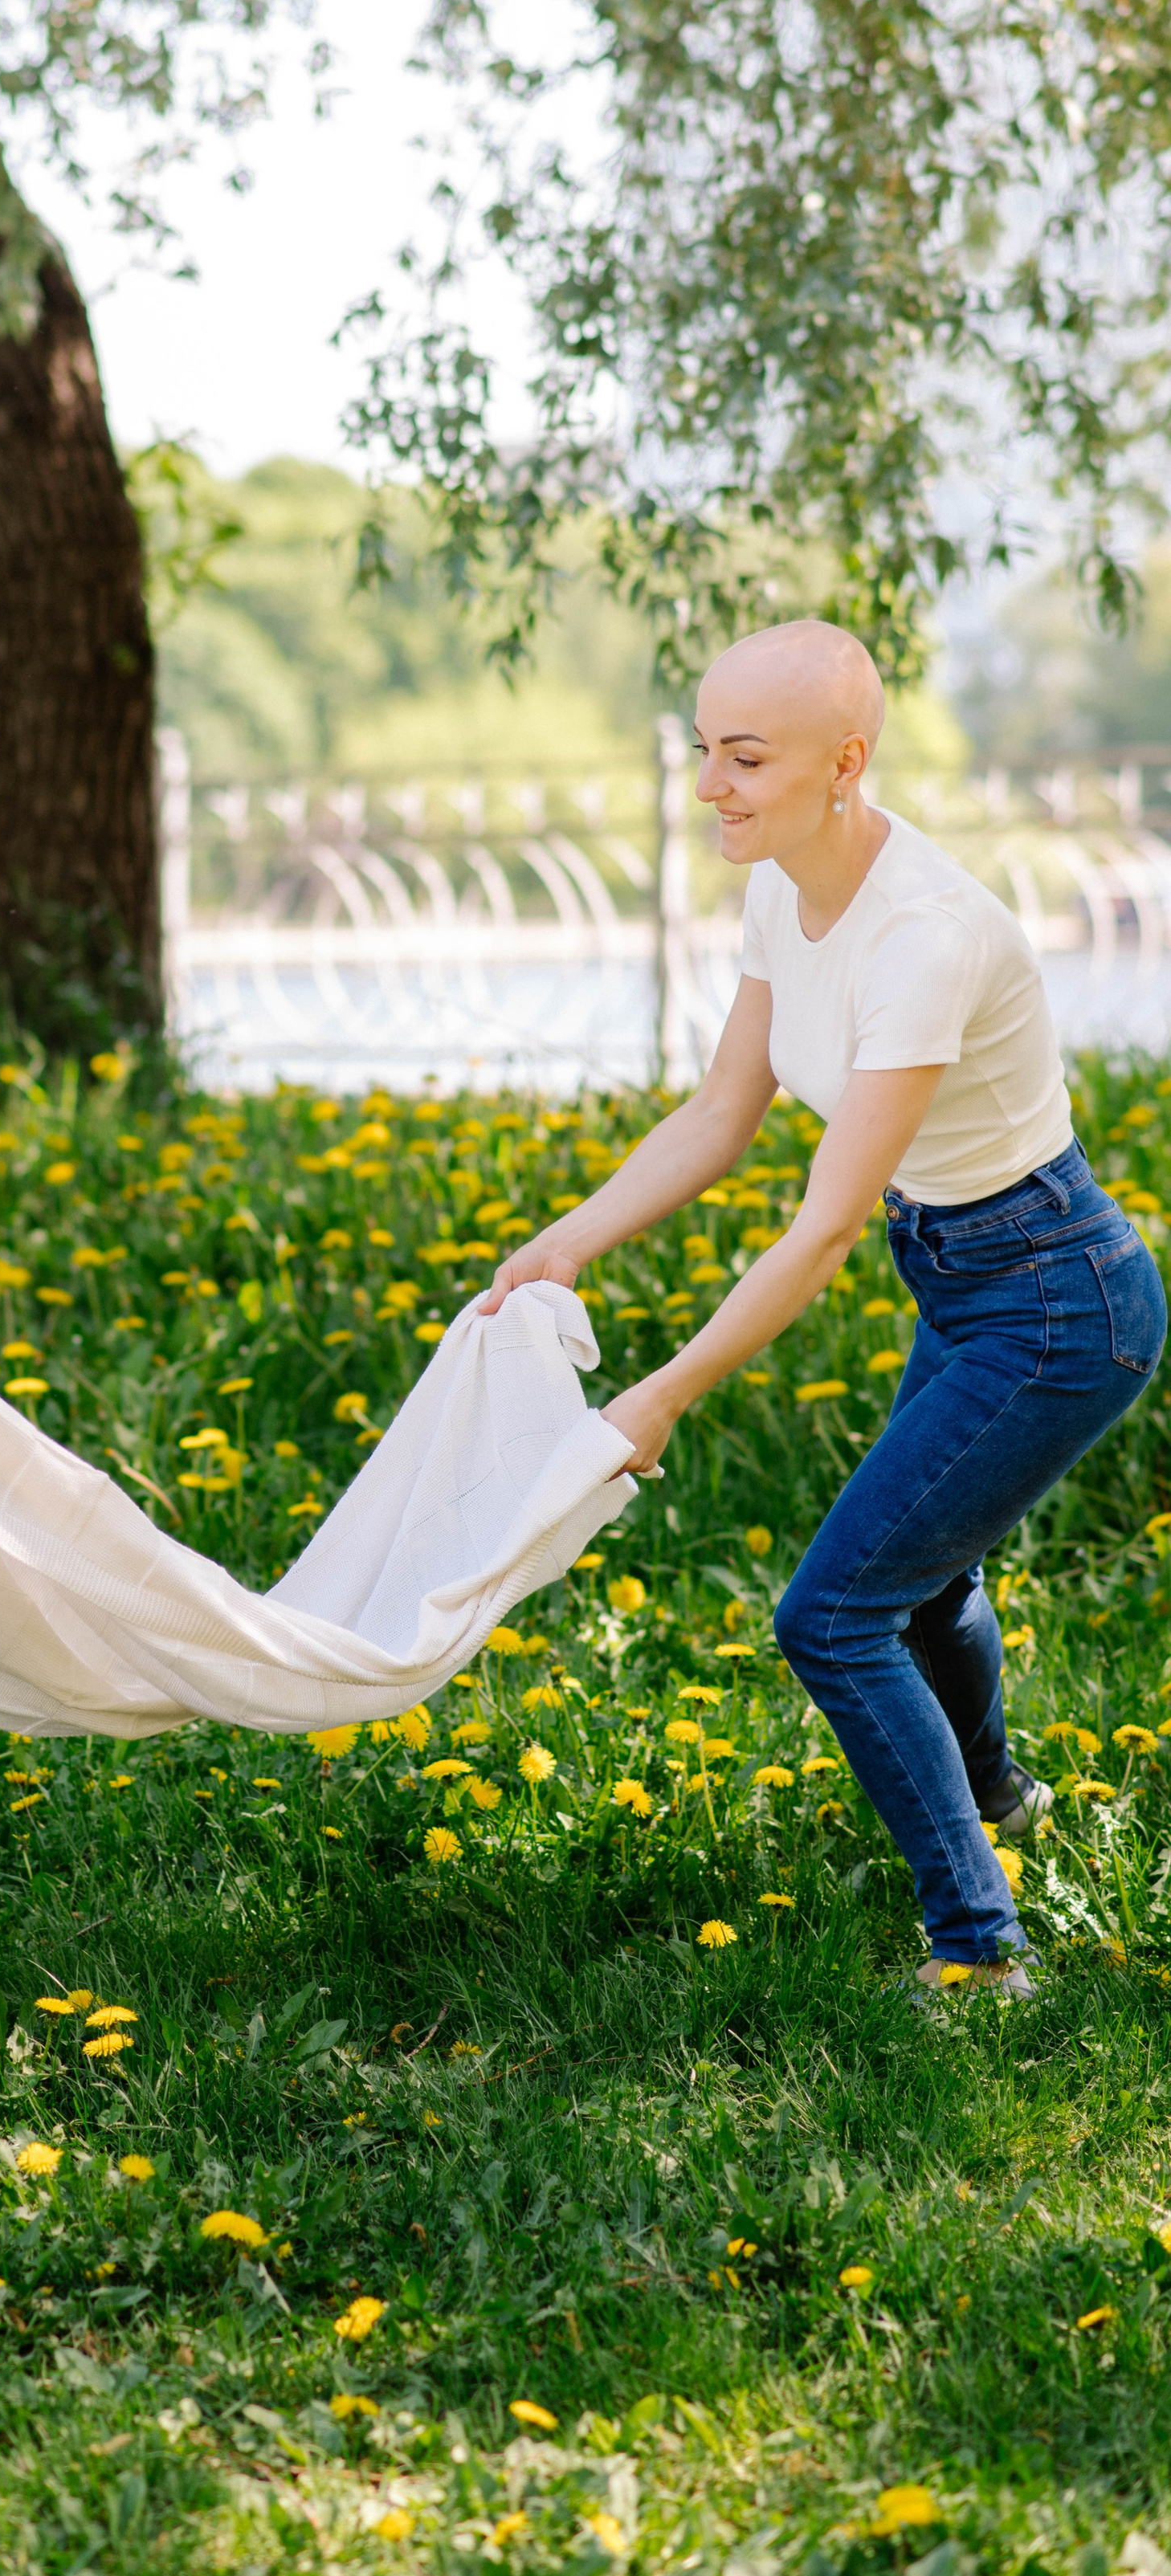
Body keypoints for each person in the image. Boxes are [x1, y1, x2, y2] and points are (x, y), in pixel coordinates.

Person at [484, 618, 1165, 1992]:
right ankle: (1001, 1802)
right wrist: (564, 1241)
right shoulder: (780, 884)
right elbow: (724, 1113)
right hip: (972, 1274)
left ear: (844, 762)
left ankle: (981, 1950)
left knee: (835, 1613)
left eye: (745, 759)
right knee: (921, 1588)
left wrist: (660, 1394)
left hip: (1057, 1304)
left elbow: (828, 1222)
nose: (709, 789)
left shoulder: (924, 934)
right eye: (702, 754)